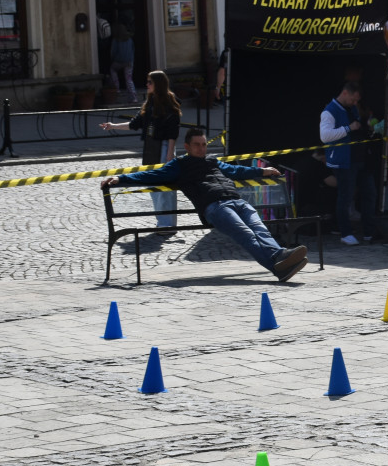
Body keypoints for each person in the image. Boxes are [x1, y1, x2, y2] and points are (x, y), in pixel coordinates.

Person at [100, 128, 309, 282]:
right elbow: (151, 175)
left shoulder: (212, 161)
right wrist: (120, 179)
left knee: (258, 228)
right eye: (197, 145)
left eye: (204, 144)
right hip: (215, 206)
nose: (202, 148)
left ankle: (280, 257)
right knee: (245, 233)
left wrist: (262, 171)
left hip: (236, 200)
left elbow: (235, 171)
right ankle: (277, 264)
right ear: (187, 147)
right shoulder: (179, 165)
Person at [100, 70, 182, 231]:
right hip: (151, 147)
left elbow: (173, 131)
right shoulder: (150, 102)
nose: (147, 85)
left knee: (165, 188)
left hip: (164, 146)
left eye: (150, 82)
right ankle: (161, 222)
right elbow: (135, 123)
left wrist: (169, 153)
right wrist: (113, 126)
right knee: (154, 185)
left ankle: (167, 225)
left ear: (158, 84)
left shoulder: (170, 102)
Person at [320, 81, 378, 245]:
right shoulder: (329, 112)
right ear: (345, 93)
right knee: (345, 197)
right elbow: (324, 136)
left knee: (369, 194)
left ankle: (369, 232)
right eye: (353, 99)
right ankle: (345, 233)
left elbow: (357, 127)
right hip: (344, 162)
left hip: (360, 159)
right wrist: (348, 128)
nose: (355, 103)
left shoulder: (352, 108)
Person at [108, 23, 137, 103]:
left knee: (112, 70)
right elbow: (133, 49)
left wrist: (113, 59)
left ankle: (117, 89)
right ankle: (134, 97)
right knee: (129, 79)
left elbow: (113, 52)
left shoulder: (116, 39)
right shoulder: (129, 39)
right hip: (129, 61)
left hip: (119, 61)